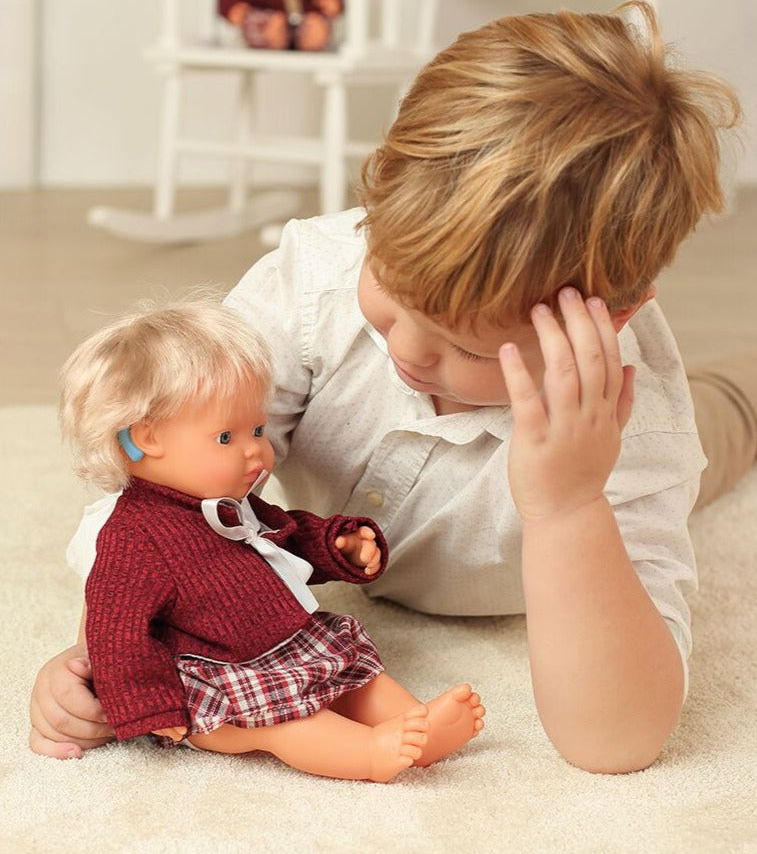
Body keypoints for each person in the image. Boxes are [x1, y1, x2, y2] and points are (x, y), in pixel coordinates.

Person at [30, 0, 754, 774]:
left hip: (653, 433)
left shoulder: (634, 430)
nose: (401, 346)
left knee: (730, 412)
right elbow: (160, 489)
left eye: (459, 344)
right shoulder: (319, 276)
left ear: (610, 323)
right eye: (391, 292)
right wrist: (109, 645)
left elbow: (616, 739)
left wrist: (567, 504)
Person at [48, 299, 484, 782]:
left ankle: (414, 721)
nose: (256, 448)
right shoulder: (135, 539)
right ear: (147, 438)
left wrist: (336, 545)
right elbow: (118, 629)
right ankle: (368, 753)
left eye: (257, 428)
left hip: (279, 641)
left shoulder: (227, 502)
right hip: (213, 676)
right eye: (226, 437)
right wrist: (151, 705)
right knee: (290, 724)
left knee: (357, 677)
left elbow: (285, 537)